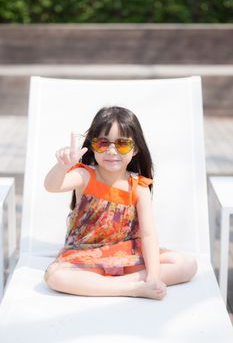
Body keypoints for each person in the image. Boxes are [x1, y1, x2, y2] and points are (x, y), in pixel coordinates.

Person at [44, 106, 197, 300]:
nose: (111, 150)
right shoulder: (84, 176)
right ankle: (131, 288)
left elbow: (149, 236)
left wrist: (153, 276)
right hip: (85, 254)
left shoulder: (139, 187)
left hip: (127, 255)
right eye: (102, 143)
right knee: (55, 277)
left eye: (122, 144)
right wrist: (61, 167)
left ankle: (105, 286)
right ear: (92, 146)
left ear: (135, 149)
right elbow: (51, 186)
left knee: (187, 264)